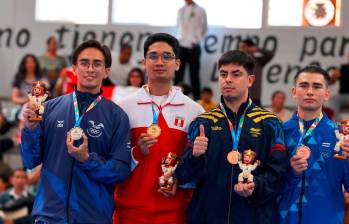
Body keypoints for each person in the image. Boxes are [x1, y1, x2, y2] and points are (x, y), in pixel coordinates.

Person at [21, 39, 131, 223]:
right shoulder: (48, 109)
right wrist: (30, 129)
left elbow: (120, 171)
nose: (90, 69)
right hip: (49, 216)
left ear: (106, 71)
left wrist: (87, 160)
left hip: (92, 217)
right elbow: (30, 161)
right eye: (84, 63)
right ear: (73, 68)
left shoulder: (117, 117)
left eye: (97, 64)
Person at [176, 50, 288, 224]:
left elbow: (279, 172)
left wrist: (256, 186)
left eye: (236, 74)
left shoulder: (270, 123)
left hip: (254, 216)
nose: (228, 79)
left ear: (250, 80)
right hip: (208, 217)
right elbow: (184, 175)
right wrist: (194, 156)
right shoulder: (202, 123)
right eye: (223, 74)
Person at [114, 33, 204, 224]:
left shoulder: (194, 111)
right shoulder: (123, 107)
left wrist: (179, 181)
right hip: (129, 213)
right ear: (144, 62)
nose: (160, 61)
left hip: (174, 213)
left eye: (167, 56)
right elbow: (114, 161)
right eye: (153, 56)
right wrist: (137, 152)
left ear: (178, 64)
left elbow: (198, 166)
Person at [278, 65, 349, 224]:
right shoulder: (280, 133)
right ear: (294, 92)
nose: (310, 91)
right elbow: (269, 186)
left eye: (317, 86)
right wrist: (292, 173)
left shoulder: (341, 137)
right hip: (285, 218)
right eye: (303, 85)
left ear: (326, 94)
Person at [175, 0, 207, 100]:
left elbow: (204, 28)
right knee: (178, 74)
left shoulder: (200, 10)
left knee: (194, 74)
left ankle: (197, 99)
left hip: (194, 45)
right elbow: (179, 27)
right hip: (182, 45)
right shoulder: (181, 10)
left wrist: (197, 40)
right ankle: (175, 97)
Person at [239, 38, 274, 105]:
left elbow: (270, 54)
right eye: (240, 47)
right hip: (239, 97)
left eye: (243, 47)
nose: (241, 49)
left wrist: (257, 49)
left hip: (254, 98)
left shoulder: (258, 61)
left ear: (250, 48)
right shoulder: (236, 61)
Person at [328, 52, 349, 119]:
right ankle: (340, 124)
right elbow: (331, 82)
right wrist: (333, 77)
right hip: (343, 95)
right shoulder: (342, 69)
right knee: (333, 99)